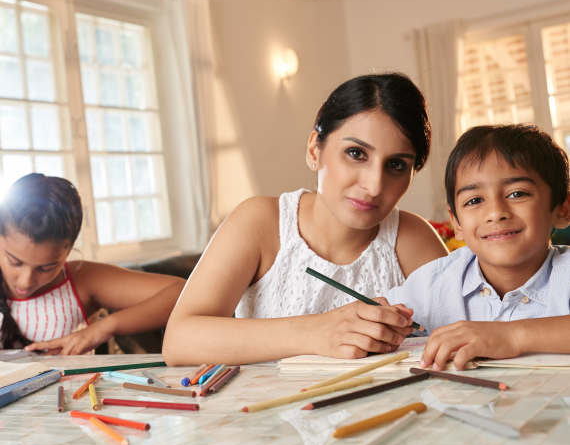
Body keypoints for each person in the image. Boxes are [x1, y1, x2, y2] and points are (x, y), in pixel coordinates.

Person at [164, 73, 448, 366]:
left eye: (396, 164)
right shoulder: (261, 222)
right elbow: (179, 341)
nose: (375, 185)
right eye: (356, 153)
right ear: (315, 149)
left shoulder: (415, 238)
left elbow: (470, 335)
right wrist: (316, 332)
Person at [380, 124, 570, 370]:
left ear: (562, 209)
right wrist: (375, 324)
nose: (495, 213)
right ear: (456, 222)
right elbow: (381, 318)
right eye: (474, 200)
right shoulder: (434, 283)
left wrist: (511, 336)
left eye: (517, 193)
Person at [0, 173, 185, 355]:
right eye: (14, 262)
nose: (25, 281)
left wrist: (106, 327)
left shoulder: (82, 280)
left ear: (69, 250)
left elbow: (182, 292)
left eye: (46, 268)